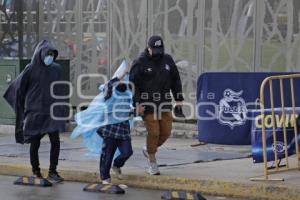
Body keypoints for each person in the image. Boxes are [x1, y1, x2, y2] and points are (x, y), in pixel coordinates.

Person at [3, 40, 66, 182]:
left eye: (52, 54)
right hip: (35, 112)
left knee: (55, 142)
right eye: (47, 54)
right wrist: (19, 105)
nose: (49, 57)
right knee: (35, 142)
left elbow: (60, 89)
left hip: (51, 112)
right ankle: (36, 171)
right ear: (40, 54)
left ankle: (53, 171)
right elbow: (18, 88)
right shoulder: (30, 69)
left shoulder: (56, 69)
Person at [71, 61, 134, 185]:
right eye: (123, 78)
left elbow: (132, 107)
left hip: (123, 128)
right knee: (107, 154)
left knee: (127, 152)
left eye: (126, 78)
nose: (124, 80)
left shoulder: (128, 93)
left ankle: (116, 165)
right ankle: (105, 177)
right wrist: (121, 74)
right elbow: (109, 84)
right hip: (110, 128)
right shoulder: (109, 91)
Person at [129, 35, 184, 175]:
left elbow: (175, 79)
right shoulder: (140, 62)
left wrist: (179, 99)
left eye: (160, 49)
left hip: (164, 102)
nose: (158, 52)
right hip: (147, 104)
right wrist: (137, 105)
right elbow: (133, 85)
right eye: (155, 49)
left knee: (165, 132)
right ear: (149, 48)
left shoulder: (168, 60)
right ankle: (152, 163)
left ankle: (148, 148)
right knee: (154, 132)